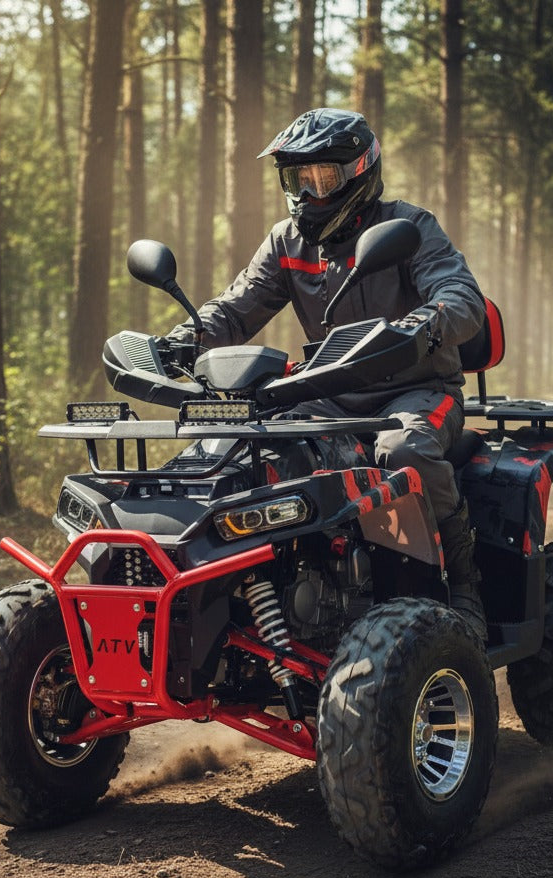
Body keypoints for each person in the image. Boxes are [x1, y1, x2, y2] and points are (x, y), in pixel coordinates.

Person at [162, 107, 487, 640]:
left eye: (325, 176)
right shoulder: (286, 241)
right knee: (251, 448)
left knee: (403, 454)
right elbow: (234, 310)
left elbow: (462, 298)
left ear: (360, 171)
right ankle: (276, 596)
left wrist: (424, 324)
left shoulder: (409, 227)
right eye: (299, 178)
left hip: (417, 390)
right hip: (327, 394)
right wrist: (182, 339)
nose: (312, 192)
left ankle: (462, 582)